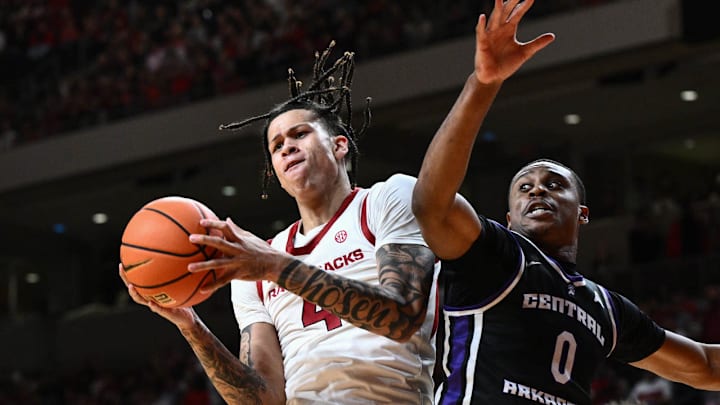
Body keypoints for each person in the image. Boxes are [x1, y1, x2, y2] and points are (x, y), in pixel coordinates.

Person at [411, 0, 720, 403]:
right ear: (508, 218)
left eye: (554, 184)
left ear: (583, 212)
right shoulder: (497, 257)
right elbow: (431, 205)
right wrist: (483, 84)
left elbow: (706, 367)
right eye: (524, 188)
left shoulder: (605, 307)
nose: (537, 190)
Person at [120, 41, 440, 404]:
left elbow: (401, 317)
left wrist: (274, 267)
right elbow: (263, 399)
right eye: (276, 146)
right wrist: (191, 326)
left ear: (339, 146)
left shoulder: (386, 199)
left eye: (299, 134)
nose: (286, 146)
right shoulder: (255, 267)